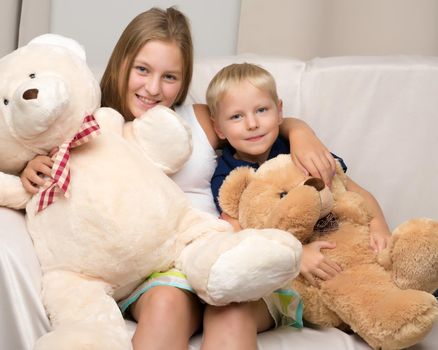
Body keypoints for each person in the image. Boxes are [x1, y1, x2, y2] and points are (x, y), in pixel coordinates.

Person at [19, 7, 339, 350]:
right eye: (142, 70)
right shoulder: (93, 125)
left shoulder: (199, 118)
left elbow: (257, 125)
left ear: (184, 80)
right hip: (160, 270)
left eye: (170, 77)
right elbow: (39, 158)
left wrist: (300, 131)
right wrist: (29, 169)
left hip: (224, 252)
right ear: (121, 63)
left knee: (230, 312)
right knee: (165, 304)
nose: (153, 88)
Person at [208, 63, 392, 289]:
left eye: (261, 110)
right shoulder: (228, 177)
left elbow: (355, 191)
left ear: (279, 111)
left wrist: (379, 226)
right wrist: (296, 254)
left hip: (340, 240)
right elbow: (241, 233)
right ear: (218, 129)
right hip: (294, 269)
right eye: (236, 116)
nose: (252, 124)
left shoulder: (299, 150)